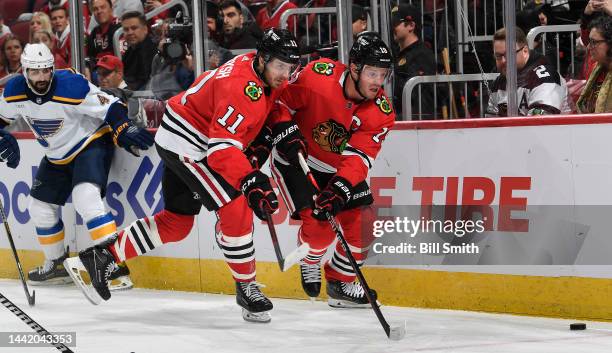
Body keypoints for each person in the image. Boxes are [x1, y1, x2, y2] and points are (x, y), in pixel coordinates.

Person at [65, 29, 306, 324]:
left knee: (177, 223)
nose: (285, 74)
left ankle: (102, 256)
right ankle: (246, 286)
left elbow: (271, 102)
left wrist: (280, 126)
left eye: (289, 67)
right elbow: (221, 152)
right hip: (191, 146)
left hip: (181, 135)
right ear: (264, 59)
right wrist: (250, 179)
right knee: (236, 205)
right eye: (280, 66)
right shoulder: (241, 88)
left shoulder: (258, 70)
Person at [0, 44, 153, 289]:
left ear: (52, 68)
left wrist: (123, 126)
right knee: (39, 207)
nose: (41, 78)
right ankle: (56, 264)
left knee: (86, 197)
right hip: (56, 154)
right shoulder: (14, 91)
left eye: (46, 71)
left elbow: (110, 104)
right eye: (35, 72)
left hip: (89, 142)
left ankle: (115, 267)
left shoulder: (72, 85)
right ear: (24, 71)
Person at [265, 32, 395, 307]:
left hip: (335, 166)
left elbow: (359, 158)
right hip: (295, 157)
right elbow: (279, 102)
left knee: (363, 225)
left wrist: (340, 188)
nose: (377, 82)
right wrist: (285, 129)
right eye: (372, 73)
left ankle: (340, 281)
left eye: (383, 74)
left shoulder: (381, 111)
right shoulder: (317, 76)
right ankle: (311, 258)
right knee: (320, 227)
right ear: (355, 67)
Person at [485, 27, 571, 117]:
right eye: (498, 56)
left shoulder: (545, 77)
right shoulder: (499, 82)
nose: (503, 61)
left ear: (525, 51)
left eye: (508, 54)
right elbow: (492, 124)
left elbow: (540, 124)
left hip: (559, 130)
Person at [391, 3, 436, 118]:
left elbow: (415, 93)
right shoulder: (397, 54)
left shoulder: (422, 55)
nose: (392, 28)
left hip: (418, 123)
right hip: (402, 119)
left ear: (411, 25)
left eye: (396, 23)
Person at [577, 15, 612, 113]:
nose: (588, 47)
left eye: (593, 42)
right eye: (589, 41)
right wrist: (587, 15)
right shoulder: (595, 68)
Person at [120, 11, 157, 90]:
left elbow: (145, 83)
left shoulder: (153, 51)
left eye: (134, 28)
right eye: (126, 29)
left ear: (145, 29)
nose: (130, 32)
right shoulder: (129, 52)